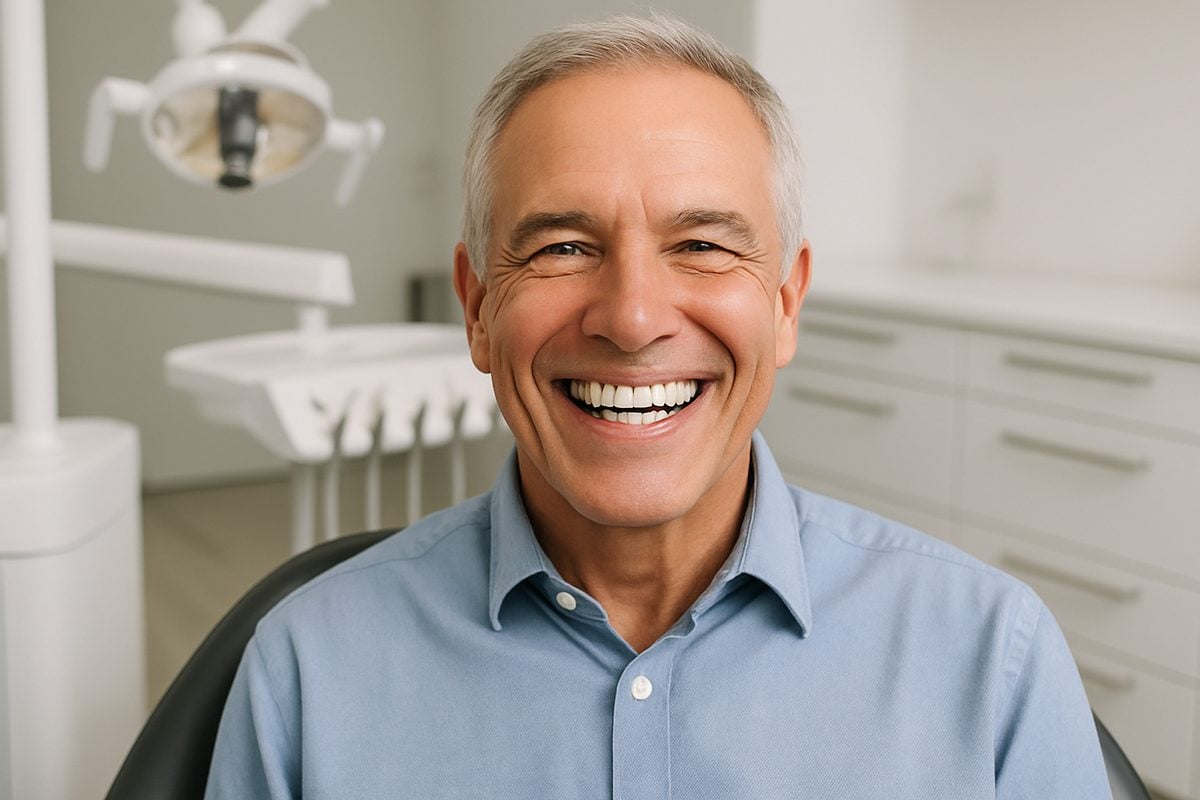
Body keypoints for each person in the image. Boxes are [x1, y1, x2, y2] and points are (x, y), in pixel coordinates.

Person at [206, 15, 1111, 799]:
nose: (633, 319)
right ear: (477, 307)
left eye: (704, 245)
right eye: (562, 246)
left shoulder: (992, 659)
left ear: (786, 303)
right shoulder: (306, 674)